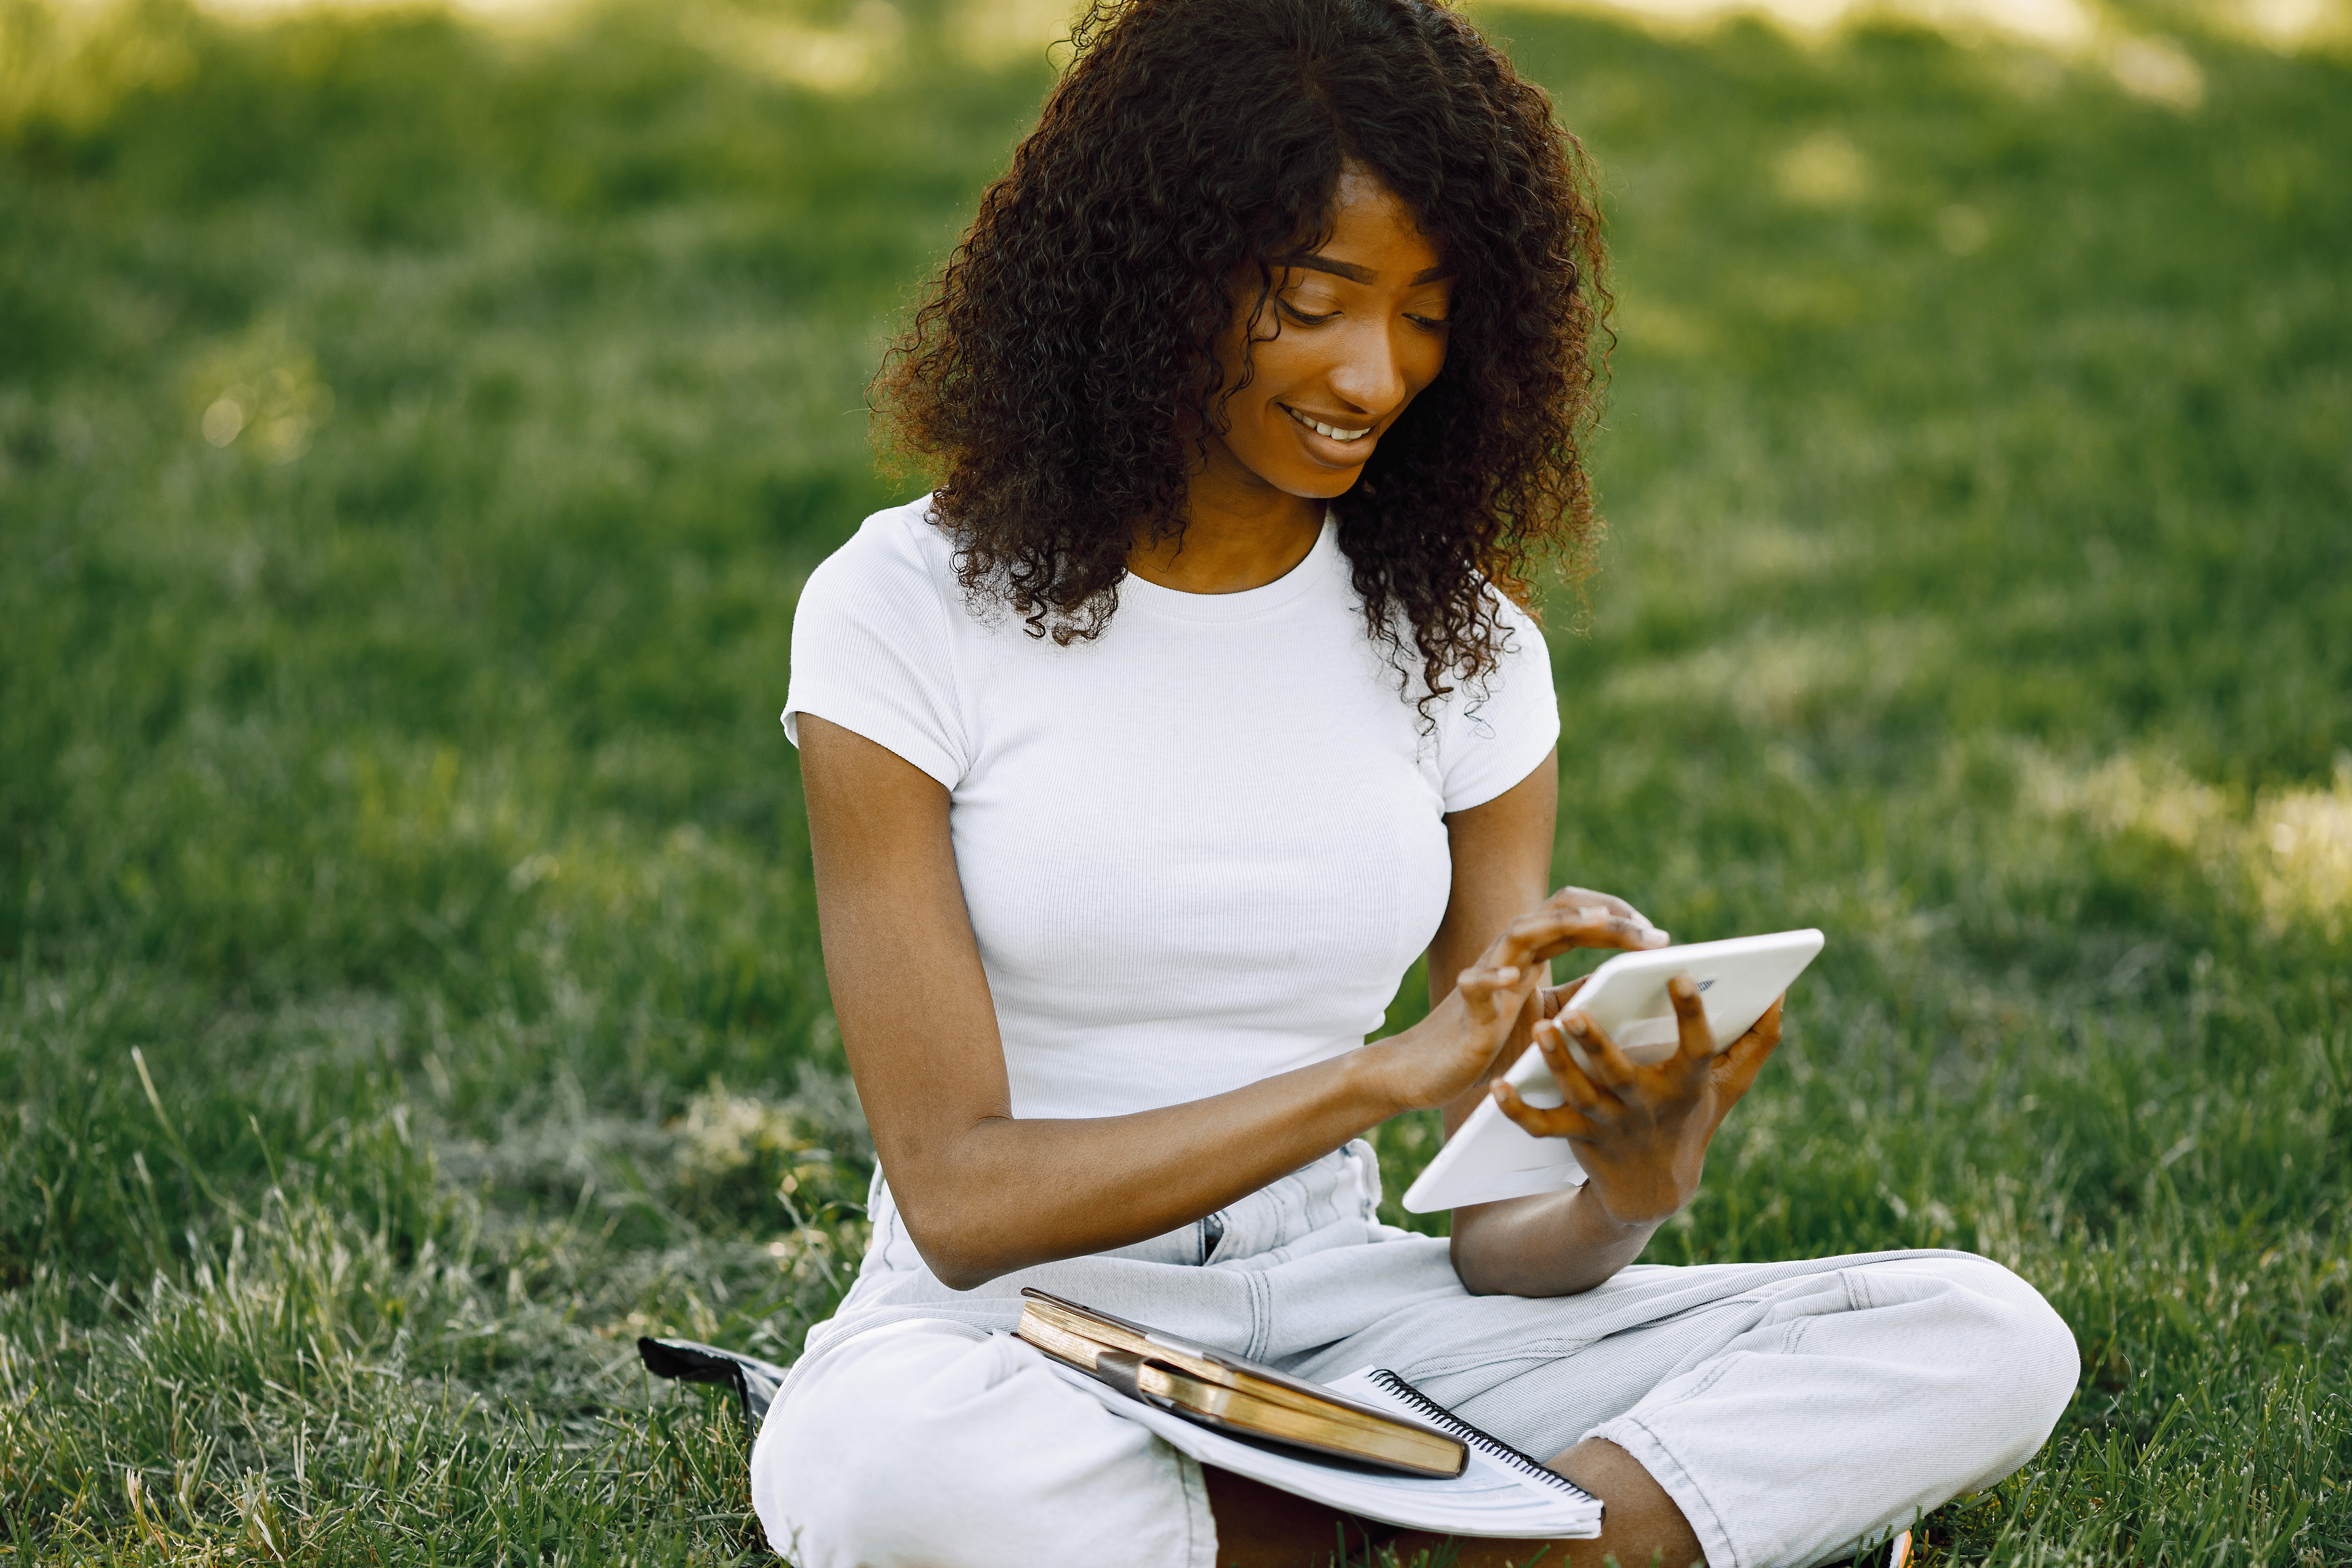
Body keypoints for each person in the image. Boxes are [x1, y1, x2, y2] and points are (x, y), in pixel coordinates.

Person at [750, 0, 2079, 1562]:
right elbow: (962, 1197)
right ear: (1154, 273)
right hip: (1014, 1334)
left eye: (1430, 317)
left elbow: (1497, 1238)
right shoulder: (905, 611)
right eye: (1316, 301)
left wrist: (1620, 1192)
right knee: (887, 1468)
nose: (1376, 376)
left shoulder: (1464, 650)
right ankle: (1411, 1515)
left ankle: (1438, 1534)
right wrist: (1377, 1079)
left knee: (1977, 1331)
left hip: (1348, 1323)